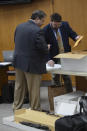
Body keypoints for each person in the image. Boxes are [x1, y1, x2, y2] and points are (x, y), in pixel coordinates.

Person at [13, 10, 48, 111]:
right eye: (42, 21)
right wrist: (47, 47)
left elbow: (16, 41)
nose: (42, 24)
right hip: (32, 64)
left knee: (19, 86)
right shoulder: (37, 30)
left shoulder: (19, 26)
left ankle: (16, 107)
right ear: (36, 19)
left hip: (19, 61)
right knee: (33, 88)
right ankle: (35, 109)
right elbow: (42, 48)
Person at [43, 13, 80, 93]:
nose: (58, 26)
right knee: (55, 77)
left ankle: (70, 93)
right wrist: (48, 59)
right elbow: (44, 47)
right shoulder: (45, 30)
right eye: (56, 25)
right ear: (51, 22)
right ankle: (57, 95)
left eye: (59, 25)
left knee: (66, 75)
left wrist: (76, 37)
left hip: (64, 54)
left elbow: (71, 33)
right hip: (54, 57)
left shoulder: (65, 25)